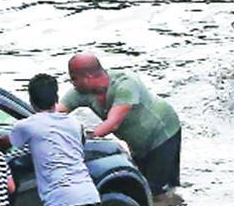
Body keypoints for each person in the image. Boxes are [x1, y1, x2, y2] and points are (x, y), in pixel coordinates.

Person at [11, 73, 102, 206]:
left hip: (59, 201)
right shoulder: (74, 124)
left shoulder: (27, 125)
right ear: (56, 98)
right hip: (88, 196)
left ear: (32, 101)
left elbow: (6, 144)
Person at [57, 53, 182, 196]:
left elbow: (113, 123)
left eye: (73, 79)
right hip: (137, 143)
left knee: (157, 190)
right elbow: (55, 111)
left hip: (163, 132)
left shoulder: (126, 84)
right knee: (140, 186)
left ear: (88, 77)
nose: (72, 83)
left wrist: (82, 139)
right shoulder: (81, 92)